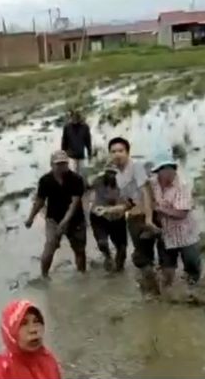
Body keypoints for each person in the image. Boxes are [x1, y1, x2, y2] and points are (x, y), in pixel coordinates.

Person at [107, 137, 164, 289]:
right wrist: (114, 210)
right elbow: (130, 201)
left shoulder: (136, 167)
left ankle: (155, 290)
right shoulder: (118, 176)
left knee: (141, 257)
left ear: (127, 152)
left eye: (120, 151)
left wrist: (149, 218)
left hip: (145, 215)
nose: (117, 154)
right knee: (144, 256)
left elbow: (146, 192)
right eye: (113, 152)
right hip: (133, 218)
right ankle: (154, 289)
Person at [25, 150, 86, 278]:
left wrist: (65, 222)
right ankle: (44, 277)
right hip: (53, 219)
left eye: (64, 163)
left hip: (75, 219)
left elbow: (74, 203)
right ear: (51, 164)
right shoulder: (45, 180)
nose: (61, 166)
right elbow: (40, 202)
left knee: (79, 250)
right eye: (58, 164)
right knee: (49, 249)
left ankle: (82, 276)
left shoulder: (76, 179)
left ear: (68, 164)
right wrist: (31, 218)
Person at [148, 148, 201, 286]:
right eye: (164, 169)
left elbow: (181, 213)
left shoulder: (183, 184)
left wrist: (159, 208)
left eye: (171, 168)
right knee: (167, 271)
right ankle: (167, 299)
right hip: (165, 234)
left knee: (192, 268)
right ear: (158, 171)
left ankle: (192, 291)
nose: (169, 172)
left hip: (186, 235)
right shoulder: (152, 183)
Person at [0, 299, 62, 379]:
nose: (33, 330)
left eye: (36, 321)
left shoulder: (48, 361)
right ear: (10, 329)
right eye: (24, 323)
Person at [88, 163, 129, 272]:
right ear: (105, 173)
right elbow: (84, 187)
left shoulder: (124, 183)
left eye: (113, 173)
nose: (111, 176)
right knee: (102, 243)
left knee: (122, 249)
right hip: (99, 217)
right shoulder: (97, 181)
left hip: (117, 217)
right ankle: (107, 256)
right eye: (109, 172)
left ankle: (118, 275)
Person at [61, 110, 93, 177]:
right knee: (72, 174)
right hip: (71, 156)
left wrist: (90, 154)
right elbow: (64, 141)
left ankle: (82, 185)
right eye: (73, 118)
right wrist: (63, 154)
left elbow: (88, 141)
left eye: (76, 118)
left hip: (81, 155)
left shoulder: (85, 127)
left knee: (81, 175)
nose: (74, 120)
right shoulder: (67, 127)